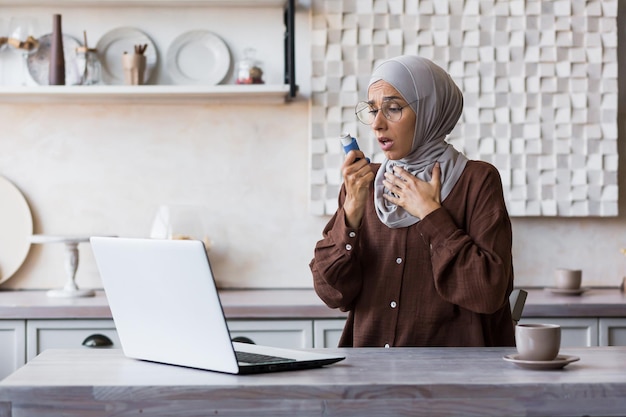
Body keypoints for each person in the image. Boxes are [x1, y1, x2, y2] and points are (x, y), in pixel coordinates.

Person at [310, 55, 515, 347]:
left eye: (393, 108)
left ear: (431, 111)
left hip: (455, 379)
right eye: (372, 110)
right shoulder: (363, 184)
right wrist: (351, 211)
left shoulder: (476, 181)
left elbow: (487, 291)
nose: (377, 124)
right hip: (369, 377)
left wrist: (432, 215)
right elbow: (332, 293)